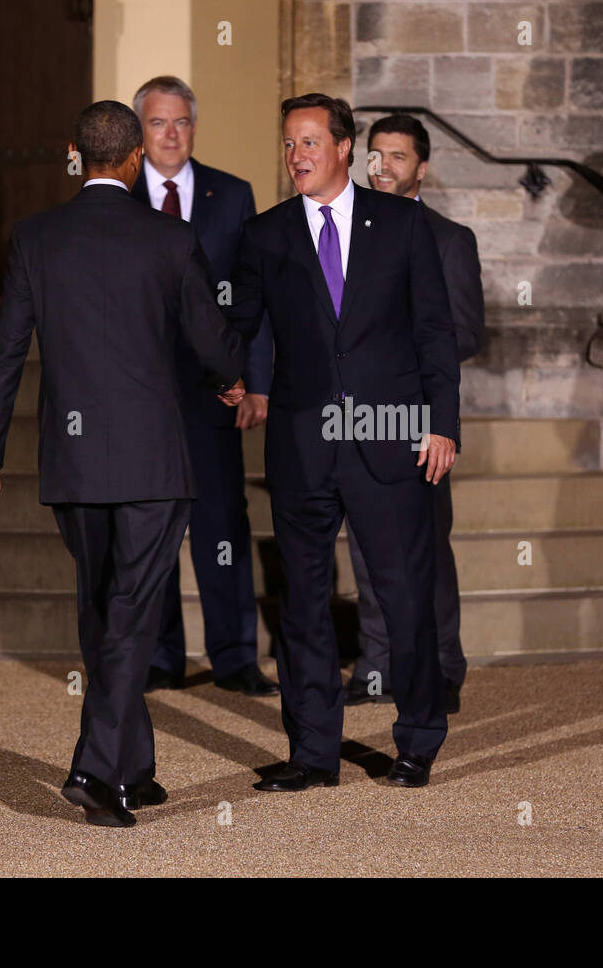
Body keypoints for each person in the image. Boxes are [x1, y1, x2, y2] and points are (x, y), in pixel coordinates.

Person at [0, 100, 245, 827]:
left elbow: (4, 356)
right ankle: (94, 768)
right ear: (132, 160)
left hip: (74, 461)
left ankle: (133, 766)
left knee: (104, 609)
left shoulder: (36, 236)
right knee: (128, 615)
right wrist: (230, 376)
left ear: (74, 155)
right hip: (152, 460)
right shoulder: (170, 237)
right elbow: (211, 341)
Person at [228, 94, 461, 791]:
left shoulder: (400, 224)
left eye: (309, 142)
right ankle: (312, 752)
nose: (297, 155)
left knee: (403, 596)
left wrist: (442, 422)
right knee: (301, 601)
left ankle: (417, 739)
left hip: (390, 439)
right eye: (289, 144)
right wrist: (227, 373)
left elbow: (434, 332)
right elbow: (242, 324)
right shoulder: (264, 234)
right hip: (301, 445)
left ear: (342, 148)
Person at [130, 75, 279, 698]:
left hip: (216, 392)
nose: (171, 134)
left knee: (222, 525)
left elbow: (254, 297)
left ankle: (236, 656)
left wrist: (257, 382)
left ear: (195, 126)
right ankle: (163, 656)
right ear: (140, 132)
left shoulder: (232, 194)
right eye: (158, 123)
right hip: (137, 397)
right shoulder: (115, 195)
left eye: (182, 121)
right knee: (152, 527)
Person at [344, 113, 484, 714]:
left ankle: (442, 664)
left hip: (420, 416)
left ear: (421, 168)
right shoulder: (343, 232)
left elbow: (467, 332)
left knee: (427, 544)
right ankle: (376, 666)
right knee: (365, 548)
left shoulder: (448, 239)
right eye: (375, 155)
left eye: (397, 156)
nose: (383, 166)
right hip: (354, 417)